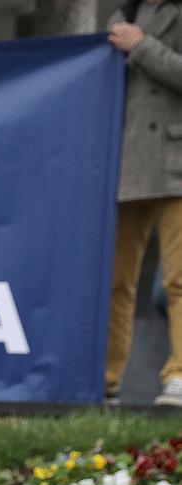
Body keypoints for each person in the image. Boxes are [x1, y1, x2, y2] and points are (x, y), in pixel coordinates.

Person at [107, 0, 182, 407]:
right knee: (115, 281)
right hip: (123, 164)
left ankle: (180, 375)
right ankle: (106, 380)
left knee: (179, 280)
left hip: (177, 163)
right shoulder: (119, 16)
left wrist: (141, 46)